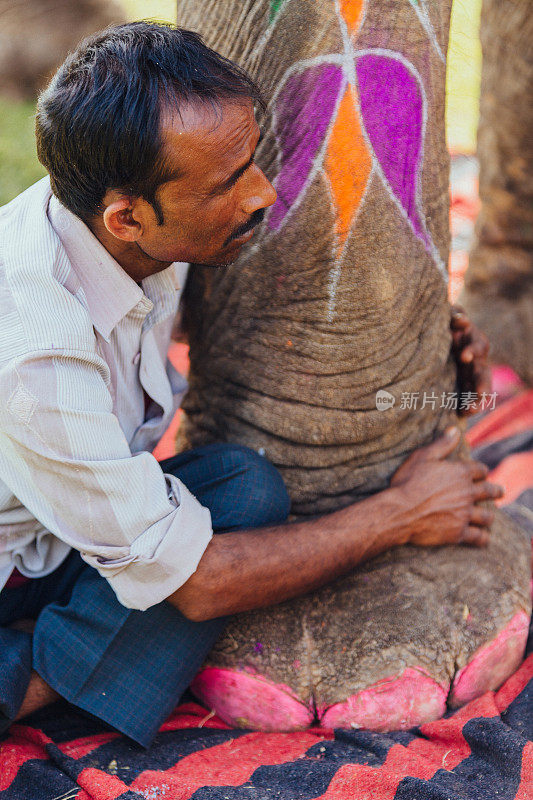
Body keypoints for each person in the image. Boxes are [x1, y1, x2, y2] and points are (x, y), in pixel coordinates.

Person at [0, 22, 498, 748]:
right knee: (198, 575)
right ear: (127, 217)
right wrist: (402, 513)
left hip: (49, 530)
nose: (263, 191)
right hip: (16, 553)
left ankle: (62, 651)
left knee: (243, 487)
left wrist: (435, 367)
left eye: (252, 160)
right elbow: (197, 584)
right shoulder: (35, 355)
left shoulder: (127, 223)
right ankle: (31, 681)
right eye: (228, 182)